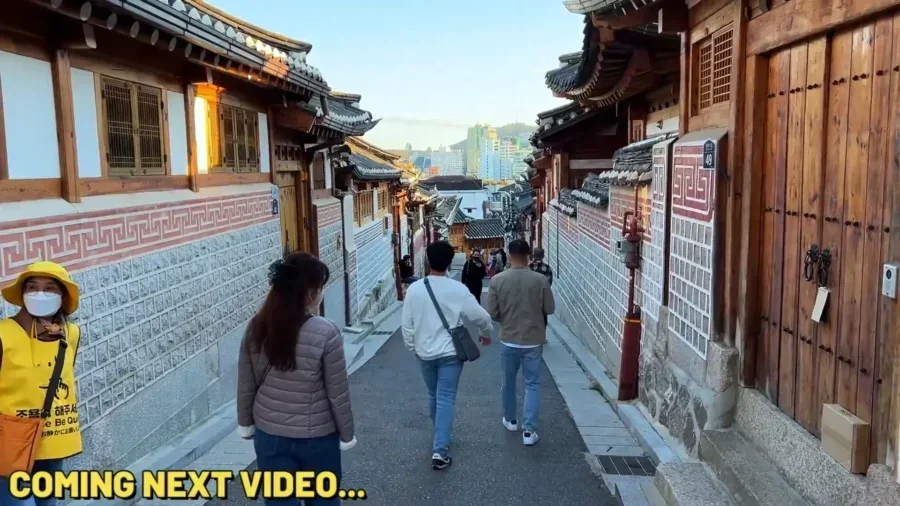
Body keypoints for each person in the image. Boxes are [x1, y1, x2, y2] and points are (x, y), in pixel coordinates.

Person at [238, 253, 355, 506]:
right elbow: (338, 393)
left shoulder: (257, 326)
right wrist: (347, 434)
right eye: (320, 287)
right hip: (318, 438)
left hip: (270, 434)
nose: (321, 293)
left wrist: (246, 423)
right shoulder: (326, 332)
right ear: (309, 293)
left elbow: (247, 382)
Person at [401, 241, 493, 470]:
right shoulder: (458, 290)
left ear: (428, 261)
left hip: (424, 353)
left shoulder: (414, 289)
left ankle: (439, 436)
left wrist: (414, 348)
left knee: (434, 394)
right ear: (451, 262)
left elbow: (407, 326)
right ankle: (440, 449)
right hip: (451, 353)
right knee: (445, 398)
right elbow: (481, 317)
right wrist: (485, 333)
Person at [0, 261, 83, 506]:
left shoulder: (71, 333)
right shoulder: (3, 334)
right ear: (23, 294)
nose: (40, 294)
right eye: (32, 287)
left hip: (54, 438)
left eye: (49, 288)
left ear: (62, 296)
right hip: (11, 443)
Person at [486, 239, 555, 446]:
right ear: (528, 255)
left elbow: (492, 312)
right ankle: (529, 431)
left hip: (509, 339)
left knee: (508, 382)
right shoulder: (540, 280)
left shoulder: (497, 280)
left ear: (509, 254)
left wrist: (506, 320)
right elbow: (550, 309)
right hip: (533, 339)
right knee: (532, 384)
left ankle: (510, 420)